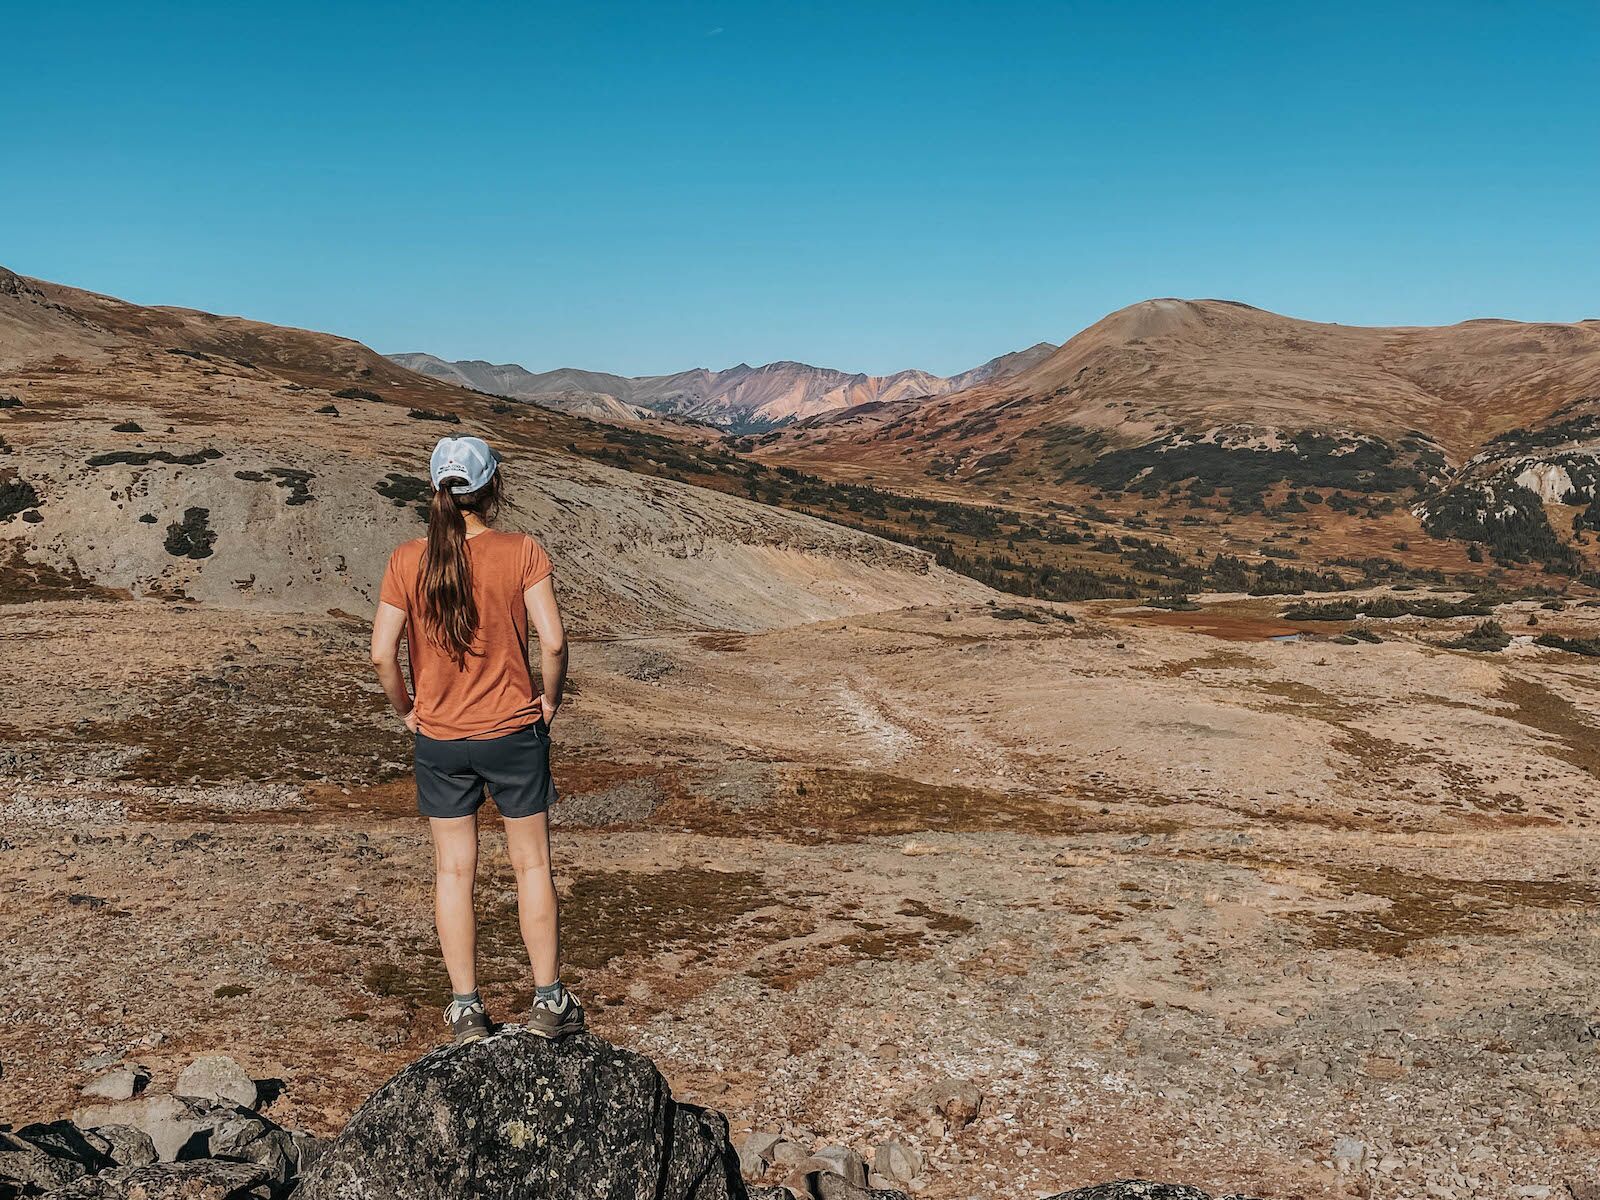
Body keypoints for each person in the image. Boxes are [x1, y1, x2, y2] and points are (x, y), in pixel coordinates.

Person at [369, 435, 583, 1044]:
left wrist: (408, 711)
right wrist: (551, 699)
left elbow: (382, 653)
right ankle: (549, 1000)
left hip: (439, 738)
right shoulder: (521, 552)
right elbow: (555, 642)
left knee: (453, 872)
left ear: (434, 489)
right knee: (532, 865)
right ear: (492, 489)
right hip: (515, 730)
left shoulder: (406, 560)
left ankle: (466, 1008)